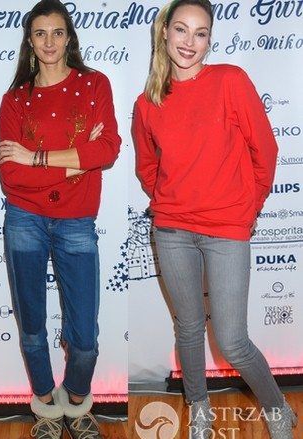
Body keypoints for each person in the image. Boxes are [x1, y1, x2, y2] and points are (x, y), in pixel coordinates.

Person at [132, 1, 297, 438]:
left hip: (226, 230)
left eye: (200, 33)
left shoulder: (230, 81)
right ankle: (200, 411)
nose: (189, 42)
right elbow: (147, 166)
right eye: (181, 30)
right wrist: (167, 199)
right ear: (164, 32)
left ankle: (277, 408)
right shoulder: (147, 103)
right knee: (188, 330)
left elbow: (266, 150)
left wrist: (249, 207)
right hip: (171, 230)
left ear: (209, 40)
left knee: (232, 340)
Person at [0, 1, 120, 438]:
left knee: (84, 336)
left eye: (58, 32)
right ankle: (46, 406)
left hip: (77, 220)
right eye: (40, 33)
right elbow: (11, 176)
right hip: (24, 219)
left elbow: (108, 150)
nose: (49, 41)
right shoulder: (15, 99)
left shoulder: (95, 84)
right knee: (32, 326)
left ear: (69, 38)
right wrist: (78, 162)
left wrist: (36, 157)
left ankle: (77, 399)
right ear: (30, 41)